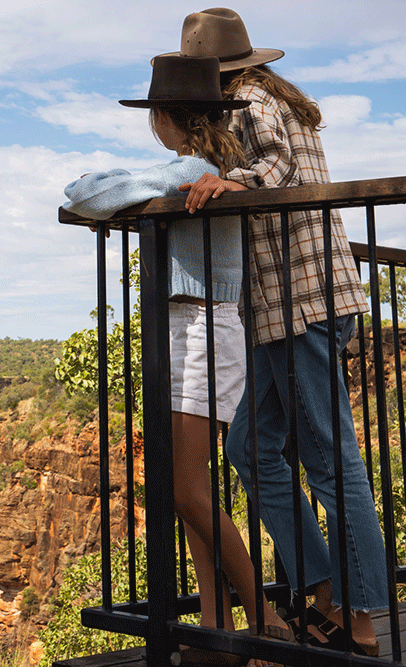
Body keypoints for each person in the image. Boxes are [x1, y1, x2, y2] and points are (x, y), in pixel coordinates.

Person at [170, 8, 388, 657]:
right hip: (282, 309)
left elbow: (275, 161)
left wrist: (225, 180)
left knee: (331, 461)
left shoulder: (253, 100)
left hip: (303, 302)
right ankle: (321, 584)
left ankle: (363, 616)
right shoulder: (269, 95)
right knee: (249, 447)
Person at [63, 54, 291, 667]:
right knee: (185, 486)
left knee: (185, 487)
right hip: (193, 329)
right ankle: (215, 632)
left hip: (200, 330)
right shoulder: (210, 169)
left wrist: (118, 196)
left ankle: (265, 623)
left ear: (165, 117)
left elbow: (85, 193)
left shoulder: (190, 169)